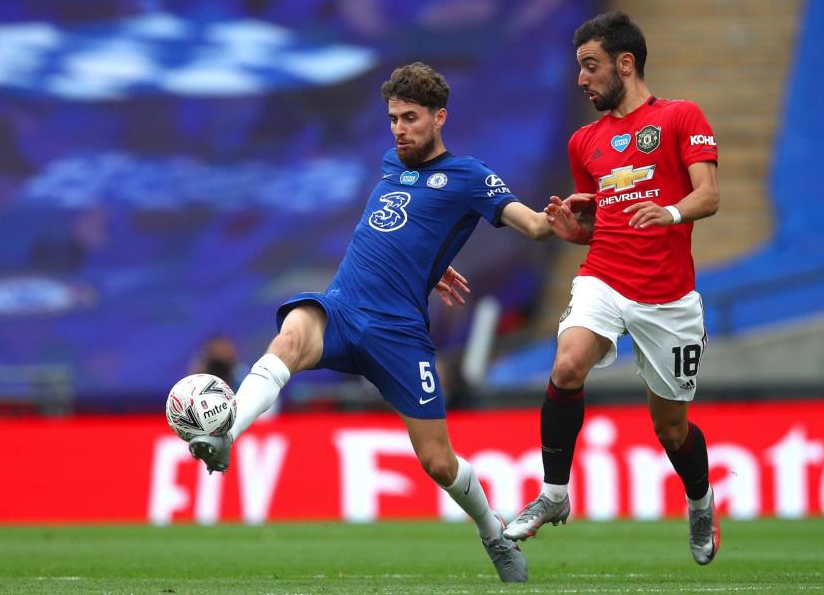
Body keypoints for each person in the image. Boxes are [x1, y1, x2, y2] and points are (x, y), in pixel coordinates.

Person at [186, 62, 557, 583]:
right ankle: (226, 432)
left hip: (398, 335)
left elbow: (532, 223)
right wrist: (428, 262)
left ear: (439, 117)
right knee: (291, 333)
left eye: (410, 118)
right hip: (341, 307)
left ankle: (491, 530)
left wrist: (552, 222)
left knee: (438, 464)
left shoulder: (469, 175)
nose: (399, 129)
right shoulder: (391, 164)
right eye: (392, 119)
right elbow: (403, 228)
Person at [503, 11, 722, 566]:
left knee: (670, 427)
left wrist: (669, 211)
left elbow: (709, 195)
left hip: (669, 297)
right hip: (605, 276)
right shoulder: (584, 143)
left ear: (625, 64)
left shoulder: (680, 116)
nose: (582, 79)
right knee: (567, 365)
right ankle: (554, 494)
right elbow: (603, 223)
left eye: (590, 66)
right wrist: (576, 233)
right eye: (580, 68)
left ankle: (700, 501)